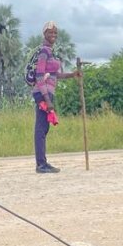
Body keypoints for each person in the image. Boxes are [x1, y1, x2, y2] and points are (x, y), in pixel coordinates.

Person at [32, 21, 81, 173]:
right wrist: (46, 99)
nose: (53, 35)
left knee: (44, 128)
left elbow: (55, 75)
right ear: (44, 34)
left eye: (55, 33)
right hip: (43, 92)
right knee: (41, 128)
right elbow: (40, 76)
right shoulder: (43, 52)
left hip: (47, 92)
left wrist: (72, 75)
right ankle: (41, 164)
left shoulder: (50, 52)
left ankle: (43, 162)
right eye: (50, 32)